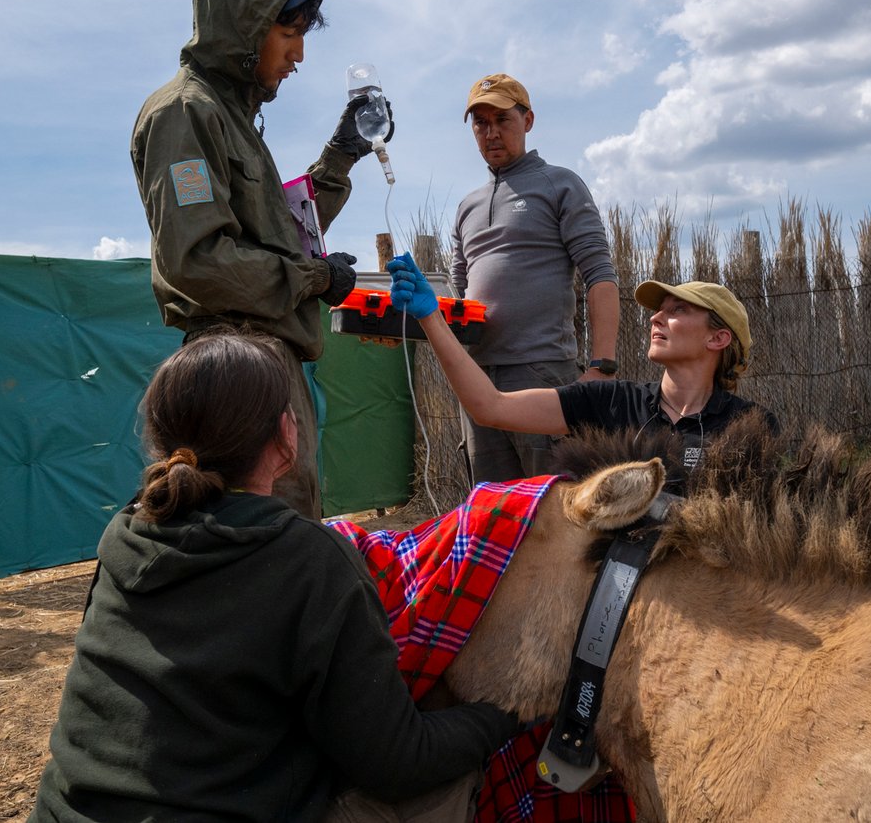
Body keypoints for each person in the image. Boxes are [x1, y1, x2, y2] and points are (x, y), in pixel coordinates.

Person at [29, 333, 517, 823]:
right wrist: (505, 714)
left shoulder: (126, 531)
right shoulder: (310, 559)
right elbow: (396, 763)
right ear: (287, 433)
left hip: (62, 811)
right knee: (443, 784)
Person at [132, 0, 392, 520]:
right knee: (268, 540)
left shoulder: (231, 119)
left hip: (262, 363)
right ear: (245, 27)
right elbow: (197, 259)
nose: (299, 54)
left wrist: (341, 154)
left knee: (285, 532)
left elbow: (281, 234)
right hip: (235, 365)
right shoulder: (185, 113)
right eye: (289, 32)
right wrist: (312, 277)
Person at [390, 253, 775, 490]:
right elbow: (490, 406)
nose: (656, 317)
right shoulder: (610, 403)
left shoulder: (751, 425)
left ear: (718, 338)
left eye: (678, 311)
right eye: (660, 309)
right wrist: (431, 318)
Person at [451, 73, 619, 484]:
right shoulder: (467, 206)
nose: (491, 133)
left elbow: (599, 273)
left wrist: (601, 367)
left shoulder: (559, 184)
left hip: (541, 372)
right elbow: (457, 296)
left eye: (502, 120)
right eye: (480, 123)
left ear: (528, 121)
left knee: (556, 508)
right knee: (492, 510)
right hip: (479, 377)